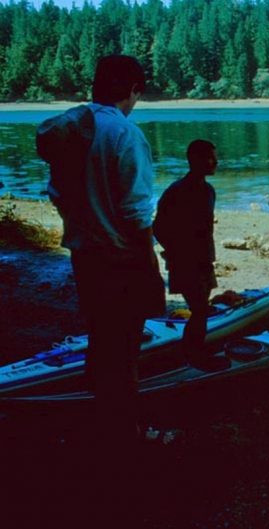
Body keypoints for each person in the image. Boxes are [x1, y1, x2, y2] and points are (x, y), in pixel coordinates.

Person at [36, 54, 164, 521]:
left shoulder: (72, 129)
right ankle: (128, 434)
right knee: (125, 346)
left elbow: (54, 193)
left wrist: (82, 221)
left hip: (84, 257)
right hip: (120, 259)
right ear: (131, 88)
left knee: (101, 341)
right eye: (138, 91)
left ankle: (105, 423)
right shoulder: (125, 134)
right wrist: (149, 262)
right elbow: (135, 212)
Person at [153, 139, 230, 372]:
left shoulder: (208, 190)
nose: (216, 161)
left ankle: (193, 354)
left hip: (204, 259)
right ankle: (194, 358)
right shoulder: (177, 191)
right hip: (186, 262)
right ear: (195, 160)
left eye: (215, 156)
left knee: (201, 309)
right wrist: (175, 253)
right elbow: (158, 228)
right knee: (198, 310)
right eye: (210, 157)